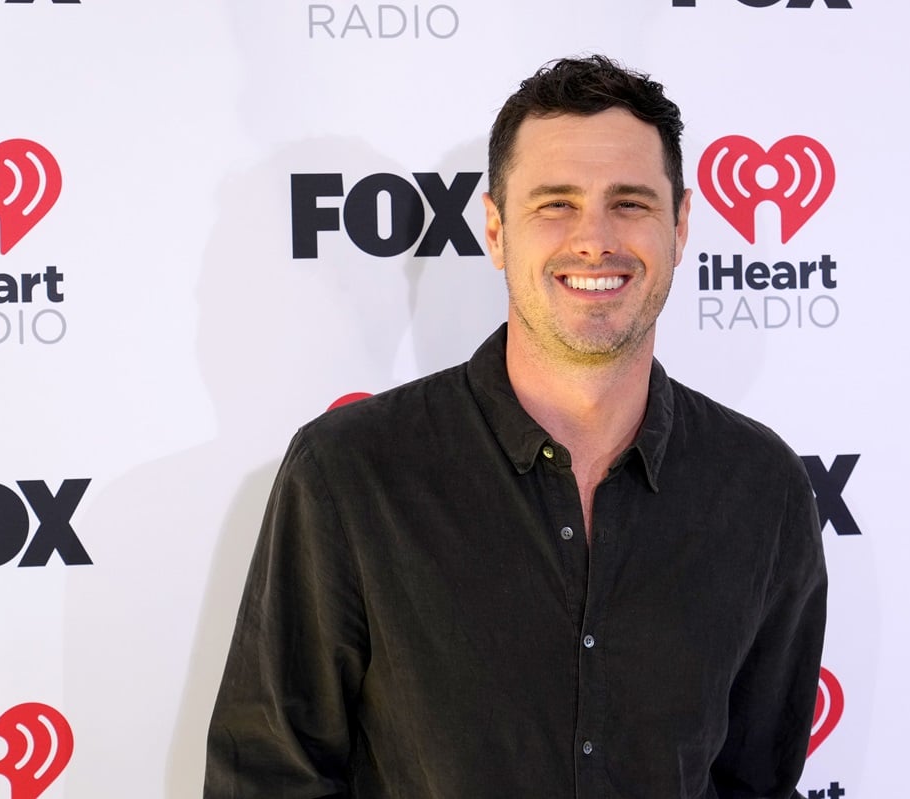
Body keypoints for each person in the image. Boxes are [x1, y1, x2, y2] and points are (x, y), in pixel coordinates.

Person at [205, 54, 827, 798]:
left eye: (629, 202)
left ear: (680, 225)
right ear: (496, 231)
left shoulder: (760, 487)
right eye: (555, 204)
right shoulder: (349, 474)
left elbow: (757, 783)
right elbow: (267, 780)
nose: (594, 239)